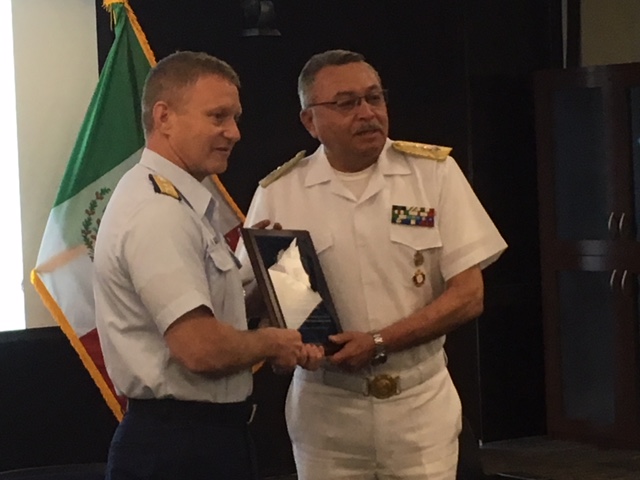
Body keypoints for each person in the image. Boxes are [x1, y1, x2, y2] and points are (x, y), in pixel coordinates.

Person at [236, 49, 508, 480]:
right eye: (346, 103)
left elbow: (469, 296)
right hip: (326, 412)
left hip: (418, 404)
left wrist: (380, 341)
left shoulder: (433, 174)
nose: (367, 113)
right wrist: (277, 336)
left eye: (374, 98)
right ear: (310, 122)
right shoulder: (280, 192)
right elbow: (250, 304)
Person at [93, 51, 310, 480]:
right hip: (179, 448)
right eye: (217, 117)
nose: (233, 132)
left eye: (234, 117)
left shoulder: (178, 202)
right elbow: (200, 348)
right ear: (164, 117)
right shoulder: (159, 212)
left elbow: (204, 318)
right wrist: (275, 342)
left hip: (197, 440)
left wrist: (260, 294)